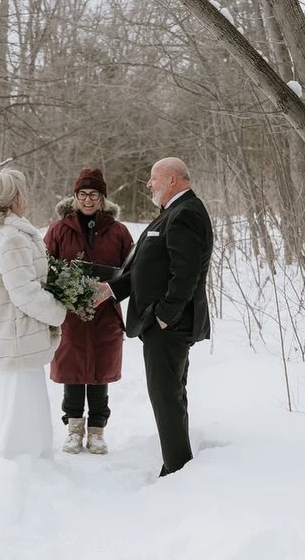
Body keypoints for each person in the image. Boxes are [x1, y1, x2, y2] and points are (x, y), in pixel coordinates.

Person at [95, 157, 213, 477]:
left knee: (166, 396)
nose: (148, 184)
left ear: (173, 179)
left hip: (169, 325)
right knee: (169, 394)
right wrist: (112, 289)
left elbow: (185, 273)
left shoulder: (186, 213)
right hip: (164, 323)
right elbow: (151, 268)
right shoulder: (172, 212)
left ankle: (176, 470)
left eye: (153, 178)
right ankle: (177, 460)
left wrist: (164, 315)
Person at [0, 168, 69, 459]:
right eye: (22, 190)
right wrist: (59, 311)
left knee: (15, 402)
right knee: (22, 405)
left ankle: (21, 457)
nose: (26, 195)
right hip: (18, 335)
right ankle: (23, 462)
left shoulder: (3, 231)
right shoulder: (12, 237)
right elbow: (25, 293)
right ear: (14, 198)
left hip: (14, 335)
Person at [44, 168, 134, 455]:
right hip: (70, 313)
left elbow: (133, 271)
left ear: (103, 198)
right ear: (74, 196)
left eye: (93, 194)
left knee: (99, 372)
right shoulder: (59, 229)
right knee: (72, 371)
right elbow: (45, 268)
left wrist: (110, 287)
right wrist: (63, 290)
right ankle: (73, 429)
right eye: (82, 194)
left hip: (105, 312)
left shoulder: (118, 231)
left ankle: (96, 431)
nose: (87, 200)